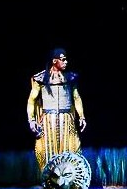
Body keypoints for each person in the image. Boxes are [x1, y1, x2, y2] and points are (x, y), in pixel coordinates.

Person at [26, 47, 87, 179]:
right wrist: (31, 120)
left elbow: (76, 98)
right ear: (54, 61)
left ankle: (69, 181)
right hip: (48, 121)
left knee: (72, 149)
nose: (66, 62)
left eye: (66, 59)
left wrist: (82, 117)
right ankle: (49, 181)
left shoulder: (70, 78)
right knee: (47, 151)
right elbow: (32, 100)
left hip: (67, 120)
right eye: (62, 60)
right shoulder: (41, 78)